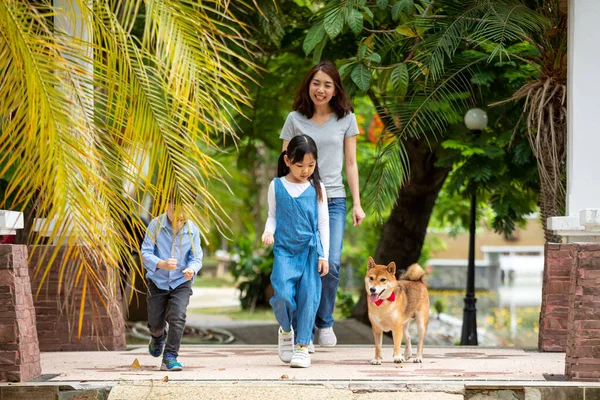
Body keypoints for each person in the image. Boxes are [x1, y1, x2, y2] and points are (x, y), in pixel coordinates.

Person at [280, 61, 366, 350]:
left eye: (328, 84)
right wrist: (283, 200)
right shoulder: (295, 118)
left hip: (334, 200)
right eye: (317, 83)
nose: (321, 89)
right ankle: (300, 325)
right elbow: (285, 162)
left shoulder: (346, 118)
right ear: (309, 85)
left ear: (335, 89)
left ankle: (324, 321)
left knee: (332, 262)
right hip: (301, 201)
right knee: (304, 264)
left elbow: (351, 163)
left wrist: (357, 203)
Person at [262, 134, 330, 368]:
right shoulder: (276, 185)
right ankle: (285, 328)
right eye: (300, 165)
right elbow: (272, 216)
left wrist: (324, 255)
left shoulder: (318, 187)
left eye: (311, 165)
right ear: (288, 160)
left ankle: (302, 346)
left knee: (309, 297)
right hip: (285, 251)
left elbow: (323, 224)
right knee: (281, 294)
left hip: (311, 251)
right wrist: (268, 231)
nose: (306, 170)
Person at [140, 199, 202, 371]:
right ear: (167, 206)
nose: (180, 215)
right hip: (158, 281)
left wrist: (192, 268)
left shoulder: (192, 230)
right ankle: (158, 336)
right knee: (155, 324)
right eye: (175, 210)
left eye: (185, 210)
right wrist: (162, 264)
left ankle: (170, 357)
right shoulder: (155, 225)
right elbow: (145, 252)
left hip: (181, 281)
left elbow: (196, 257)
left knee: (178, 316)